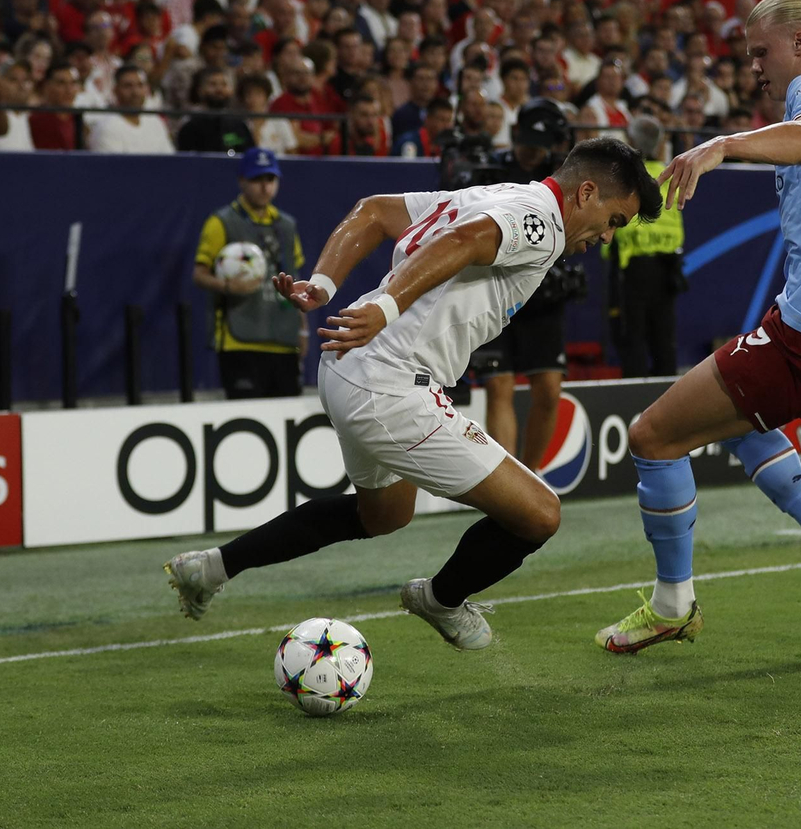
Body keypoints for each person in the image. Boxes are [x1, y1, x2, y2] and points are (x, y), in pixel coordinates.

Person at [163, 137, 660, 653]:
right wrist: (388, 308)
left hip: (346, 365)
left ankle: (211, 569)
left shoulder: (498, 193)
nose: (606, 236)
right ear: (585, 193)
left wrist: (324, 284)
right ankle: (441, 600)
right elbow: (462, 243)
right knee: (539, 514)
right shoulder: (541, 221)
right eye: (614, 220)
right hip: (391, 383)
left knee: (383, 515)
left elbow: (373, 212)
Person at [595, 0, 801, 654]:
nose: (754, 67)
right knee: (747, 424)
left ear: (800, 42)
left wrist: (720, 145)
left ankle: (673, 604)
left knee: (653, 435)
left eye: (759, 52)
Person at [456, 99, 584, 470]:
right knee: (499, 385)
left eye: (539, 144)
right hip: (496, 292)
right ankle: (507, 483)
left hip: (544, 296)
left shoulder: (564, 177)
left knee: (548, 388)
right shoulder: (487, 172)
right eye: (527, 142)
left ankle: (533, 476)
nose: (531, 152)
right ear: (514, 135)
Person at [191, 148, 309, 398]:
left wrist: (303, 330)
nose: (264, 187)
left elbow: (295, 281)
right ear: (242, 180)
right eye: (256, 180)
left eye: (270, 180)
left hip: (283, 341)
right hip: (240, 341)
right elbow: (199, 274)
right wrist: (229, 288)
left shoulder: (287, 226)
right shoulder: (221, 222)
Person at [607, 115, 686, 377]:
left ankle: (636, 404)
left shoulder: (625, 179)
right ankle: (668, 405)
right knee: (665, 341)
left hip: (633, 270)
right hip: (668, 268)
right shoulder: (670, 176)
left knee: (634, 339)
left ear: (630, 142)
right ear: (660, 144)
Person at [87, 65, 174, 153]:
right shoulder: (107, 128)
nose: (135, 92)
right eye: (128, 86)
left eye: (140, 85)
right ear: (115, 90)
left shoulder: (155, 122)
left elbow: (170, 160)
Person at [176, 67, 252, 152]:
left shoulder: (240, 125)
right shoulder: (189, 124)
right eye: (213, 84)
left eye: (224, 84)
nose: (219, 89)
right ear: (200, 90)